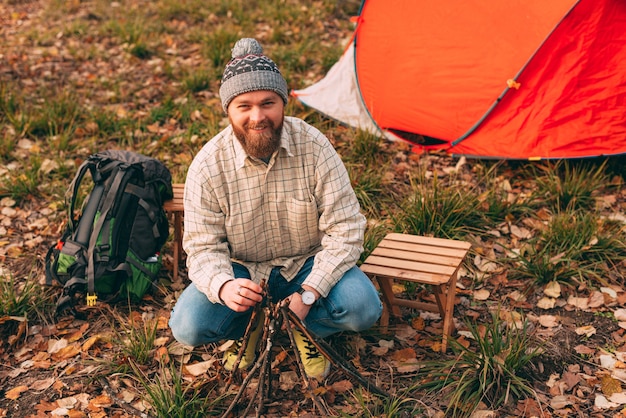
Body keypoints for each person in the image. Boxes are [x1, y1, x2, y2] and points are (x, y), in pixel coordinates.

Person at [168, 38, 382, 380]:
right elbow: (201, 246)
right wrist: (223, 286)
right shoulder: (208, 165)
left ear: (283, 103)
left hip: (307, 264)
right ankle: (252, 326)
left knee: (363, 308)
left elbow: (346, 228)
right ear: (228, 110)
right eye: (244, 105)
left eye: (268, 103)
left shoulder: (314, 147)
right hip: (243, 273)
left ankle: (302, 325)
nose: (258, 117)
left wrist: (310, 291)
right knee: (188, 326)